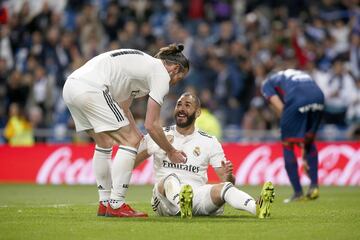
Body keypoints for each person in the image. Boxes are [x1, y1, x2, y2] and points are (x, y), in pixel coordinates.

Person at [62, 43, 189, 217]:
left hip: (72, 86)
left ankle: (105, 202)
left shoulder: (143, 65)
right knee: (131, 141)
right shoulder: (160, 74)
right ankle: (116, 204)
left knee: (105, 141)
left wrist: (136, 133)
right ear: (175, 68)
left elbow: (123, 107)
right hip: (93, 88)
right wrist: (171, 151)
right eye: (179, 78)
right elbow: (152, 124)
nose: (175, 83)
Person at [135, 92, 275, 218]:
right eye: (179, 105)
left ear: (197, 113)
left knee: (225, 188)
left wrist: (229, 176)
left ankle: (257, 207)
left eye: (187, 105)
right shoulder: (160, 135)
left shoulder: (209, 141)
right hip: (163, 200)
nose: (181, 109)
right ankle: (182, 202)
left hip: (195, 196)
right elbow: (132, 161)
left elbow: (226, 180)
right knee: (170, 179)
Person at [261, 69, 324, 203]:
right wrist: (304, 154)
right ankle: (314, 186)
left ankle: (298, 192)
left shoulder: (267, 83)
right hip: (319, 96)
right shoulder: (295, 74)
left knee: (288, 144)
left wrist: (286, 124)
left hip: (298, 98)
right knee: (309, 140)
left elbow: (281, 109)